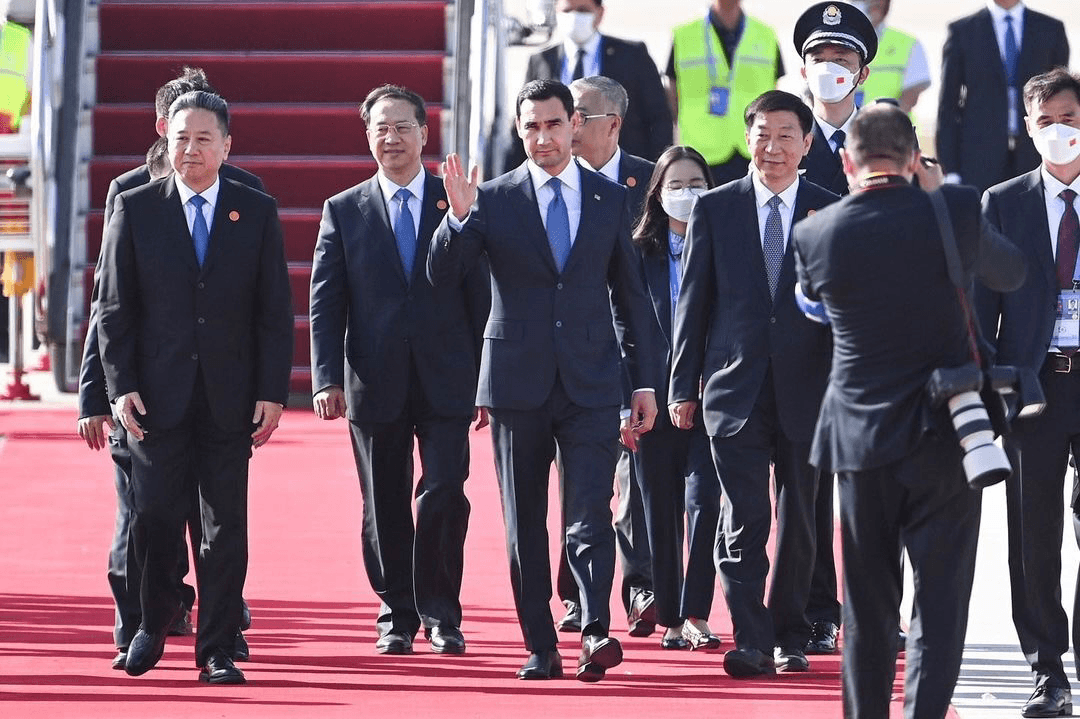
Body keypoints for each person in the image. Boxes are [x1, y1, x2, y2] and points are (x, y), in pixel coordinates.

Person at [792, 101, 1026, 718]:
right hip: (946, 434)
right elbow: (1010, 272)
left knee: (867, 607)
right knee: (940, 604)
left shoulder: (815, 233)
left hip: (860, 438)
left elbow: (814, 308)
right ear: (914, 158)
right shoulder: (952, 209)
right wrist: (941, 191)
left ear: (845, 161)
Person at [429, 79, 659, 682]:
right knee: (525, 521)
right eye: (530, 127)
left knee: (588, 511)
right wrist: (455, 218)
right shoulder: (494, 198)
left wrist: (644, 382)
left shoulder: (611, 199)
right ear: (519, 131)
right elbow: (442, 274)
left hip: (591, 382)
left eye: (553, 125)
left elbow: (632, 299)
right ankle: (540, 643)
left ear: (574, 124)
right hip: (514, 382)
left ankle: (592, 629)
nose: (542, 138)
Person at [96, 90, 293, 684]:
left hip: (229, 397)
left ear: (227, 146)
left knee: (223, 525)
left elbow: (273, 310)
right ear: (166, 141)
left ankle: (217, 648)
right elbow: (113, 310)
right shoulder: (136, 208)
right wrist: (120, 384)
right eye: (181, 138)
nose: (191, 150)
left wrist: (271, 389)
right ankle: (153, 623)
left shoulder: (254, 209)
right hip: (155, 396)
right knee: (153, 517)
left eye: (204, 139)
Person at [309, 84, 491, 656]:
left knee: (443, 492)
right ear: (368, 136)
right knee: (383, 501)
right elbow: (326, 299)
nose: (392, 138)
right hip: (374, 378)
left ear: (424, 133)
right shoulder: (343, 208)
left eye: (402, 126)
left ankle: (442, 611)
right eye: (380, 128)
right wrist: (325, 378)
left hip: (447, 377)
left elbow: (480, 295)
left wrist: (487, 377)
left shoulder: (456, 199)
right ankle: (397, 612)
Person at [669, 89, 838, 677]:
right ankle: (752, 637)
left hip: (809, 391)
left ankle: (791, 632)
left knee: (800, 525)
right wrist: (681, 389)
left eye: (786, 135)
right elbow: (693, 306)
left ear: (807, 144)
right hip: (732, 391)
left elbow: (842, 309)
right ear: (748, 138)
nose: (772, 147)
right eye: (762, 134)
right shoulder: (715, 208)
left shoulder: (830, 207)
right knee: (743, 520)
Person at [977, 68, 1080, 719]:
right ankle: (1048, 671)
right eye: (1045, 120)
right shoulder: (1004, 202)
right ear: (1028, 126)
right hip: (1035, 386)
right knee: (1033, 534)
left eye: (1069, 116)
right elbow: (981, 311)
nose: (1059, 130)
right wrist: (995, 386)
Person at [552, 75, 655, 637]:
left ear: (613, 123)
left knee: (638, 477)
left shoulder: (649, 183)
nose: (567, 125)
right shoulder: (546, 180)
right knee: (582, 483)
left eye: (580, 115)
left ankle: (641, 585)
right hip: (572, 357)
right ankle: (577, 595)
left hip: (638, 351)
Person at [791, 1, 879, 653]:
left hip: (876, 336)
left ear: (863, 70)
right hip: (802, 332)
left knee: (883, 478)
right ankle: (820, 605)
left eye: (842, 60)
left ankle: (883, 609)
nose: (831, 71)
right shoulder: (781, 139)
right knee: (810, 479)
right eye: (820, 60)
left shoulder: (886, 138)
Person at [629, 144, 722, 650]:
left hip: (712, 399)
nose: (688, 195)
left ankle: (698, 611)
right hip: (651, 398)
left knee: (705, 502)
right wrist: (627, 398)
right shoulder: (637, 252)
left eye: (697, 185)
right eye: (677, 186)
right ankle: (668, 614)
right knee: (658, 508)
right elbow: (621, 329)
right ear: (658, 195)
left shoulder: (726, 243)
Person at [506, 0, 672, 171]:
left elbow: (659, 119)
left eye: (583, 11)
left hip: (620, 173)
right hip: (558, 172)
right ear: (556, 11)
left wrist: (657, 172)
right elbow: (526, 119)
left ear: (599, 13)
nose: (574, 17)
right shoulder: (542, 61)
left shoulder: (632, 55)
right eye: (568, 11)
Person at [936, 0, 1069, 194]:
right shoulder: (962, 31)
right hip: (978, 157)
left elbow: (1063, 98)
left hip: (1035, 154)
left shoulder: (1050, 29)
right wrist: (951, 170)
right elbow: (948, 106)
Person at [664, 0, 784, 185]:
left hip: (753, 149)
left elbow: (774, 91)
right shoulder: (684, 35)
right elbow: (671, 92)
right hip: (701, 152)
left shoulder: (765, 34)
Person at [0, 0, 33, 365]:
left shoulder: (19, 40)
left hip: (12, 161)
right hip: (11, 155)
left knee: (16, 256)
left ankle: (11, 347)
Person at [849, 0, 930, 113]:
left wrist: (886, 125)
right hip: (844, 128)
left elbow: (911, 96)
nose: (876, 5)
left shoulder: (907, 43)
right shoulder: (832, 42)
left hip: (893, 128)